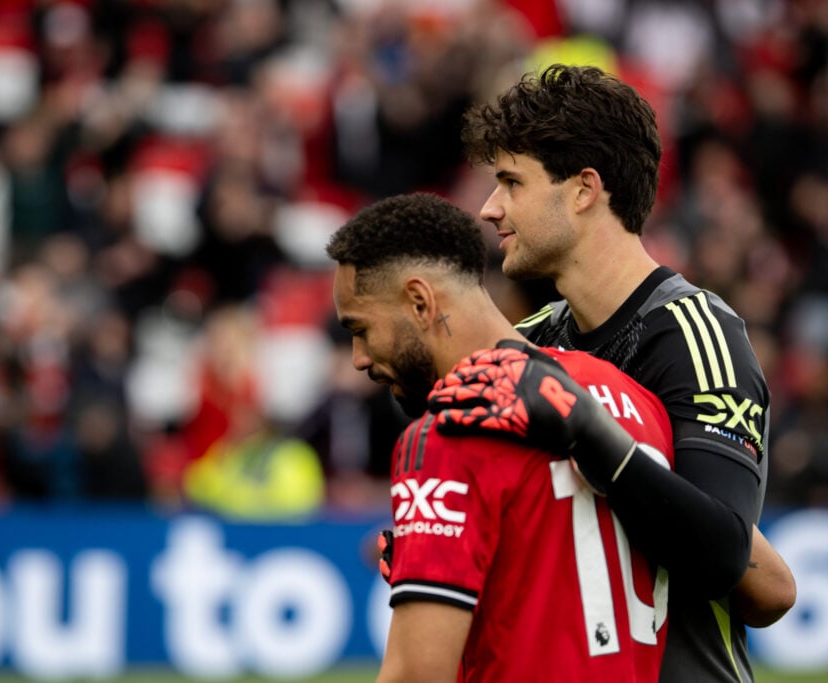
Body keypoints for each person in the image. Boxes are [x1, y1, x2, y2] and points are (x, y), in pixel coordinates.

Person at [429, 64, 796, 683]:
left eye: (511, 182)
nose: (489, 209)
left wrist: (591, 435)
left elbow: (725, 553)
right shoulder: (531, 341)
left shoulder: (694, 332)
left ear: (583, 189)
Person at [326, 192, 676, 682]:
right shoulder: (629, 395)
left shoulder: (448, 429)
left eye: (360, 329)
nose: (359, 357)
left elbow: (417, 674)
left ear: (420, 301)